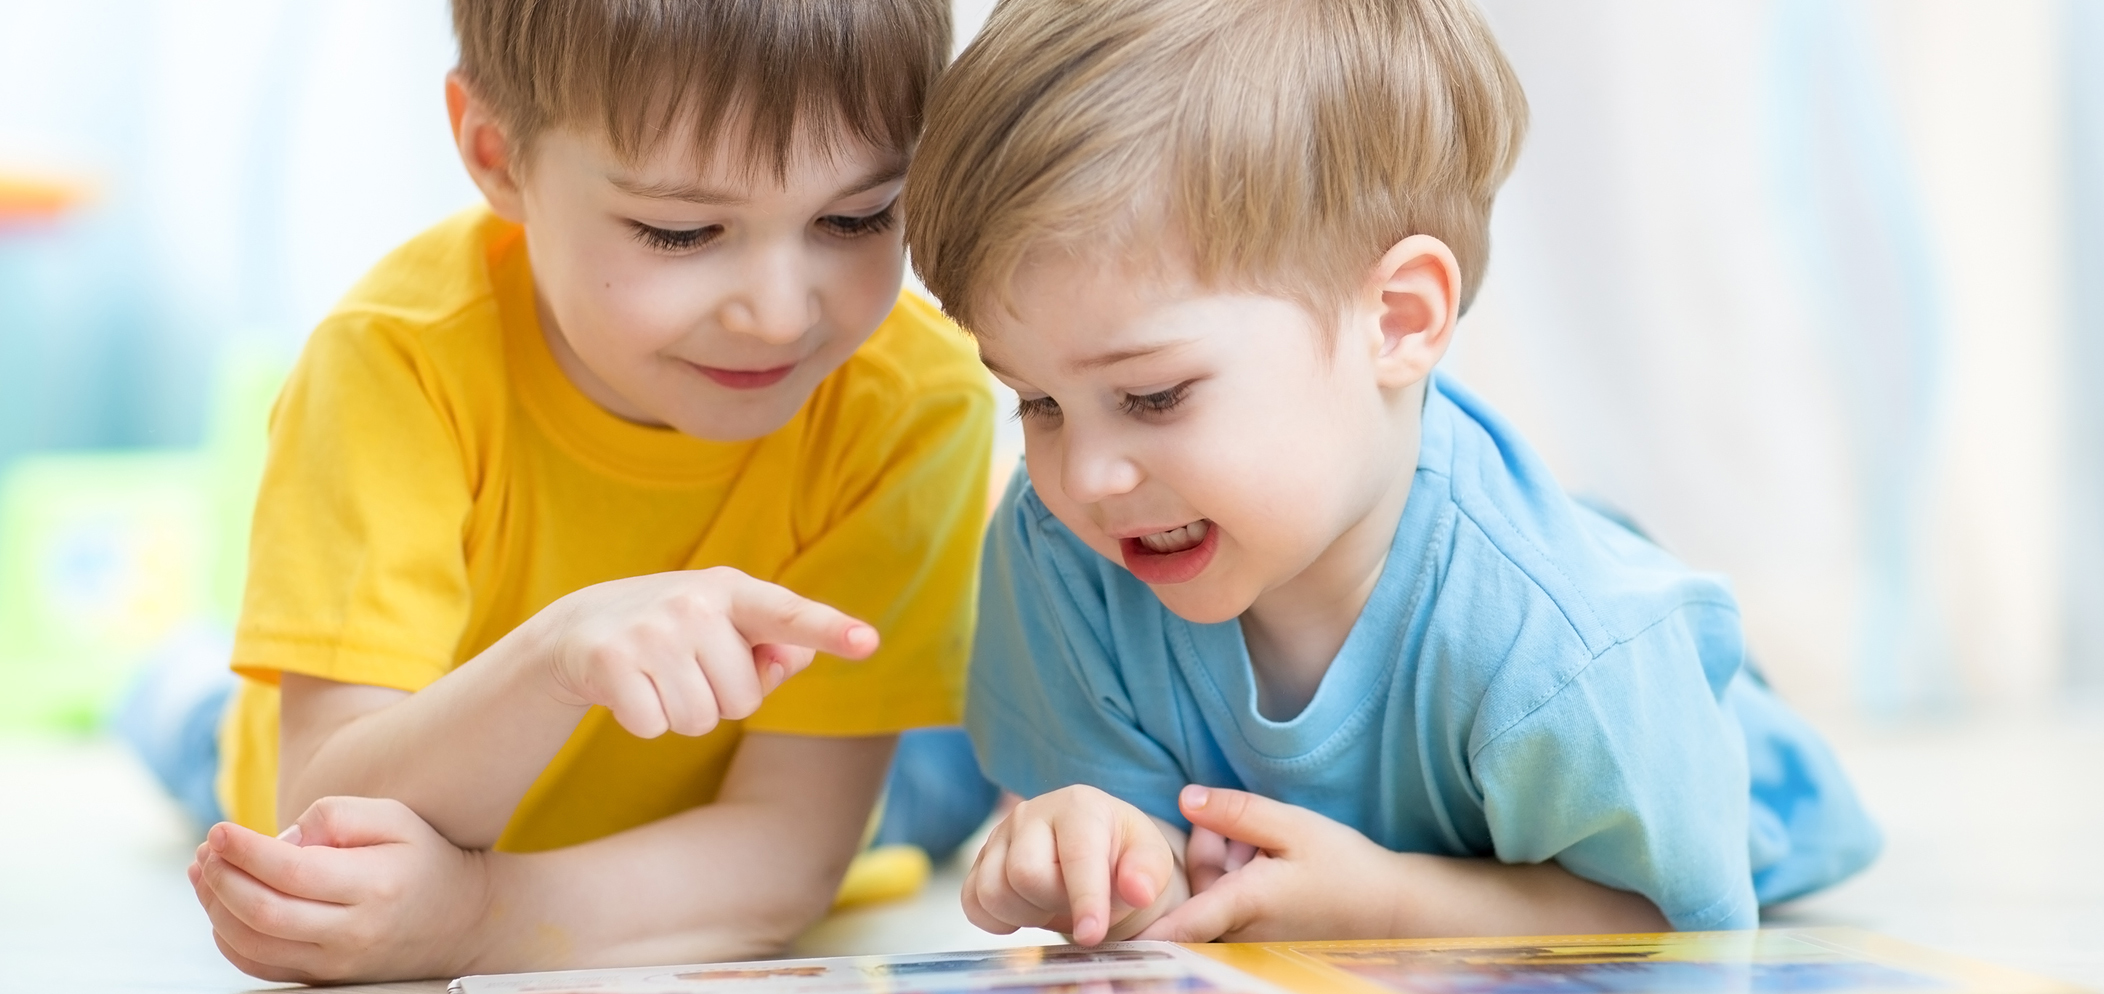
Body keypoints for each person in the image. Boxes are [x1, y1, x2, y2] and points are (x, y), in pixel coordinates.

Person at [902, 0, 1881, 946]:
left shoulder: (1567, 647)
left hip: (1688, 761)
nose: (1087, 474)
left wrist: (1392, 900)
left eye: (1155, 397)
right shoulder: (1062, 553)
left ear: (1400, 319)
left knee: (1587, 615)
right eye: (1037, 403)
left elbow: (1681, 923)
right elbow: (1160, 857)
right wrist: (1104, 852)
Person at [184, 0, 993, 983]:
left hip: (749, 796)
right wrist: (556, 663)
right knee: (188, 735)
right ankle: (179, 679)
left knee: (949, 781)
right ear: (495, 153)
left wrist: (475, 918)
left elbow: (788, 853)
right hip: (395, 767)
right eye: (683, 231)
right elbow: (323, 820)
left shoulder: (915, 395)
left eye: (858, 216)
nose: (781, 317)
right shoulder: (394, 361)